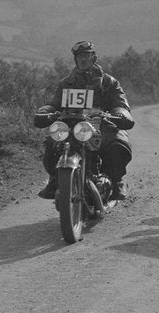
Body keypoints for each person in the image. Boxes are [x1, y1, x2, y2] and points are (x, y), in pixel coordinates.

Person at [38, 40, 134, 201]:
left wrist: (121, 113)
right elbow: (55, 104)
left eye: (87, 56)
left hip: (101, 124)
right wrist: (44, 112)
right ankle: (56, 179)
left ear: (93, 58)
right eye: (80, 56)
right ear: (76, 59)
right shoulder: (66, 83)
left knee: (118, 145)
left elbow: (120, 102)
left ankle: (116, 181)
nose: (83, 59)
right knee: (51, 143)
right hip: (71, 124)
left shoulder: (109, 82)